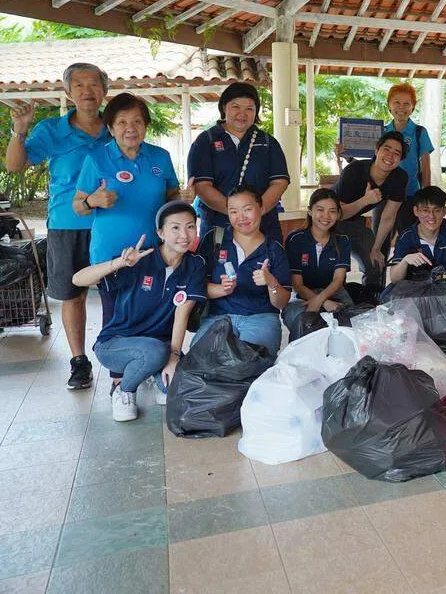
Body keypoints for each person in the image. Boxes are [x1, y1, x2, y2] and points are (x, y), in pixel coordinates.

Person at [6, 62, 111, 390]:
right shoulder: (51, 130)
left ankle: (125, 354)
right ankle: (79, 361)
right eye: (79, 85)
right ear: (68, 91)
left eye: (93, 84)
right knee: (72, 294)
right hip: (68, 225)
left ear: (104, 90)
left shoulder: (118, 124)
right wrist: (19, 130)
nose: (87, 91)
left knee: (122, 292)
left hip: (113, 222)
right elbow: (15, 165)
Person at [71, 201, 205, 421]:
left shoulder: (195, 264)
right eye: (175, 227)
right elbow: (77, 279)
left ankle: (155, 376)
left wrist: (174, 356)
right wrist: (119, 263)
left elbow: (182, 313)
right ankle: (124, 390)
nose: (184, 235)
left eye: (190, 227)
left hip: (162, 345)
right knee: (154, 352)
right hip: (116, 344)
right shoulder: (139, 259)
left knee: (182, 385)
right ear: (160, 233)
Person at [73, 92, 181, 324]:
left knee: (153, 320)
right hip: (110, 256)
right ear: (110, 128)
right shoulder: (96, 158)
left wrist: (183, 199)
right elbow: (78, 207)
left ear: (145, 126)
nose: (130, 128)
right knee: (114, 321)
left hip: (153, 253)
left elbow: (172, 196)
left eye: (137, 121)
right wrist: (92, 201)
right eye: (122, 122)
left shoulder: (161, 157)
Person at [193, 186, 292, 354]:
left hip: (261, 319)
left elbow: (282, 303)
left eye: (247, 209)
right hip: (218, 318)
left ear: (261, 208)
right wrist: (222, 289)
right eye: (233, 211)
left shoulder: (273, 249)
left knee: (251, 361)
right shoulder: (215, 240)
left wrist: (271, 283)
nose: (241, 217)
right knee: (200, 358)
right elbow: (196, 286)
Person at [188, 82, 290, 243]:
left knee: (267, 259)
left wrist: (258, 211)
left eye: (249, 108)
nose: (242, 114)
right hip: (219, 225)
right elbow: (202, 186)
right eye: (236, 107)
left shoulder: (268, 142)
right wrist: (235, 213)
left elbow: (280, 182)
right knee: (217, 259)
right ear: (224, 107)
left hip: (263, 226)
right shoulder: (206, 141)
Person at [332, 131, 407, 294]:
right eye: (386, 149)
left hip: (354, 222)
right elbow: (337, 215)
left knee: (375, 263)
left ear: (401, 160)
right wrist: (365, 200)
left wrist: (376, 249)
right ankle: (338, 298)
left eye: (397, 153)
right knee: (336, 266)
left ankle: (371, 299)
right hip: (328, 223)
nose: (390, 156)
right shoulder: (354, 170)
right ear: (376, 150)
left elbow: (388, 217)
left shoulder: (399, 177)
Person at [282, 189, 353, 341]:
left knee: (348, 321)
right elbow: (297, 284)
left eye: (332, 211)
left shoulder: (342, 240)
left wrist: (320, 300)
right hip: (302, 294)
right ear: (310, 211)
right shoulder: (295, 239)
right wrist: (323, 302)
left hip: (335, 292)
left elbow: (338, 280)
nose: (326, 216)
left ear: (338, 214)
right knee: (297, 318)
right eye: (320, 210)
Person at [388, 186, 446, 282]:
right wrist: (405, 261)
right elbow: (394, 279)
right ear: (416, 211)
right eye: (425, 210)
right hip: (413, 289)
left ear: (444, 211)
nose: (431, 216)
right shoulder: (406, 236)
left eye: (437, 210)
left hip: (445, 287)